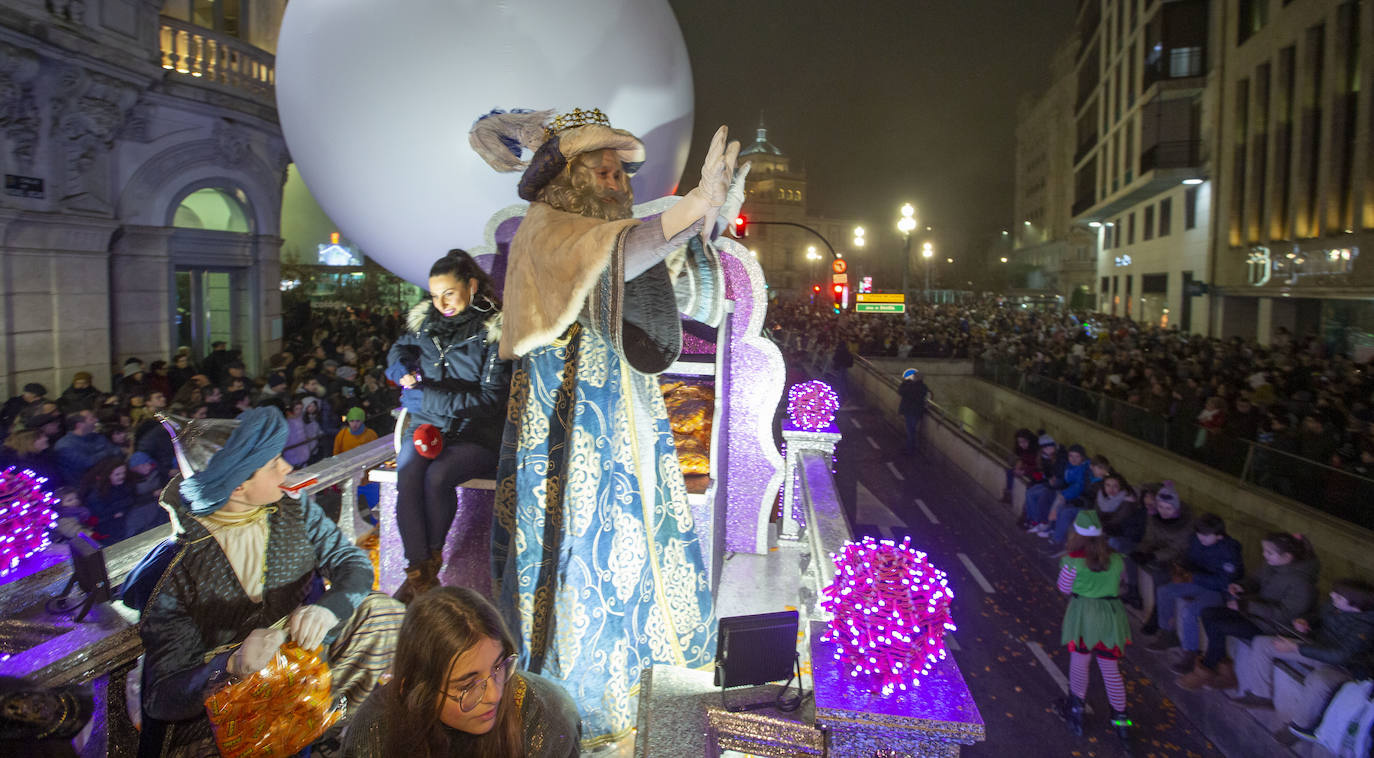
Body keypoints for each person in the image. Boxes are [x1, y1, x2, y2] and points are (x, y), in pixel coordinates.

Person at [471, 107, 733, 742]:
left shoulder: (613, 231)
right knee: (578, 541)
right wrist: (693, 204)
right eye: (605, 170)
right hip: (568, 423)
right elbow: (617, 253)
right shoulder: (546, 227)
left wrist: (708, 216)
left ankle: (649, 666)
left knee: (633, 537)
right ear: (568, 177)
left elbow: (689, 288)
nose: (619, 182)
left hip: (629, 415)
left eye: (622, 172)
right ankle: (582, 691)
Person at [137, 408, 405, 755]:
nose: (288, 468)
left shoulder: (294, 511)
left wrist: (327, 611)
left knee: (382, 613)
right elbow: (162, 695)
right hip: (230, 712)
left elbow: (351, 563)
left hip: (303, 670)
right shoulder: (175, 571)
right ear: (237, 486)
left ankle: (324, 728)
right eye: (273, 462)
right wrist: (230, 665)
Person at [385, 249, 510, 602]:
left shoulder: (494, 330)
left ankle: (429, 567)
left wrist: (428, 399)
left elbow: (490, 400)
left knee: (437, 476)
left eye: (449, 293)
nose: (442, 303)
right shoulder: (426, 322)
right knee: (408, 475)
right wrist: (400, 370)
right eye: (435, 295)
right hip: (428, 425)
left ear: (471, 286)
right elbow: (399, 350)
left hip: (476, 431)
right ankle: (418, 572)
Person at [343, 587, 581, 758]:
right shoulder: (373, 733)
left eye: (498, 667)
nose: (494, 696)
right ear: (414, 691)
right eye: (467, 686)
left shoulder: (545, 717)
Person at [1177, 533, 1318, 690]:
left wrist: (1247, 606)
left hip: (1272, 626)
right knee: (1208, 613)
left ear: (1287, 557)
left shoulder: (1302, 583)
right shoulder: (1271, 565)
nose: (1265, 555)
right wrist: (1241, 586)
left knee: (1219, 625)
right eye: (1264, 551)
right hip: (1254, 615)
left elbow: (1284, 615)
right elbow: (1255, 580)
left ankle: (1207, 669)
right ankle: (1225, 671)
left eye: (1269, 553)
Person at [1230, 580, 1374, 733]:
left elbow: (1340, 655)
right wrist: (1306, 621)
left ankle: (1299, 726)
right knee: (1262, 644)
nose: (1332, 595)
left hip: (1344, 666)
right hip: (1316, 647)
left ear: (1355, 606)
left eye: (1338, 596)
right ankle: (1261, 695)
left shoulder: (1367, 626)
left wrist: (1296, 647)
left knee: (1319, 680)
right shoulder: (1336, 605)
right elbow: (1318, 615)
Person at [1055, 511, 1133, 740]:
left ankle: (1076, 710)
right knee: (1111, 670)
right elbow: (1123, 583)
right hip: (1111, 615)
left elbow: (1064, 588)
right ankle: (1121, 720)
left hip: (1083, 615)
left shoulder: (1072, 561)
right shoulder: (1117, 559)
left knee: (1080, 664)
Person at [1143, 512, 1245, 674]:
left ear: (1219, 536)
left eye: (1205, 535)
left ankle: (1191, 653)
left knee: (1190, 611)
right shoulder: (1197, 540)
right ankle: (1168, 633)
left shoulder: (1229, 551)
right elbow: (1191, 558)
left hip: (1217, 590)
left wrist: (1194, 576)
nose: (1201, 538)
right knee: (1164, 591)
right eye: (1199, 534)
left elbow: (1224, 582)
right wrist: (1182, 567)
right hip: (1197, 580)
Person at [1122, 482, 1192, 609]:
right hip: (1157, 551)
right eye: (1160, 506)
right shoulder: (1153, 515)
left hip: (1177, 558)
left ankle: (1157, 610)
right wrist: (1141, 550)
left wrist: (1153, 556)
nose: (1163, 511)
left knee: (1160, 573)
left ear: (1175, 508)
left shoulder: (1185, 523)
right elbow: (1149, 538)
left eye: (1168, 508)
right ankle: (1133, 592)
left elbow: (1177, 549)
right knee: (1130, 556)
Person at [52, 410, 121, 484]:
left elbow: (117, 451)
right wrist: (108, 452)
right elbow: (87, 463)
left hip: (106, 479)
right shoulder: (65, 445)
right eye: (92, 419)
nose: (96, 420)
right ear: (80, 425)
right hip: (83, 487)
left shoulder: (97, 437)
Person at [897, 368, 930, 454]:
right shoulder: (923, 387)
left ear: (915, 378)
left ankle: (910, 449)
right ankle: (911, 448)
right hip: (917, 411)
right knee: (913, 430)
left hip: (909, 411)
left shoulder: (911, 386)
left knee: (910, 430)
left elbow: (900, 391)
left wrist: (904, 383)